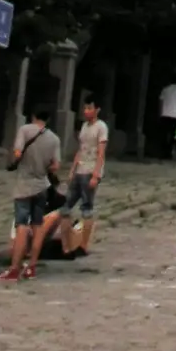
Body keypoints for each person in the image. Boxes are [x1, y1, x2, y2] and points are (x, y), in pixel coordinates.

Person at [0, 107, 61, 283]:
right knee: (38, 225)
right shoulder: (54, 139)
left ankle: (14, 268)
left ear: (33, 116)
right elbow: (55, 166)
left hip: (24, 185)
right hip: (42, 186)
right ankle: (31, 266)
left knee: (21, 225)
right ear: (47, 119)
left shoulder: (24, 130)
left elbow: (17, 153)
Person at [61, 93, 108, 250]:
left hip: (90, 170)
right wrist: (72, 170)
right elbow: (80, 149)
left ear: (97, 110)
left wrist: (96, 174)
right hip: (80, 169)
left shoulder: (101, 127)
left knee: (86, 209)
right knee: (65, 207)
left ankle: (84, 244)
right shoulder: (84, 126)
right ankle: (66, 245)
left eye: (89, 108)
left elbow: (101, 153)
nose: (86, 111)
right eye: (85, 108)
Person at [157, 80, 176, 159]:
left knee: (164, 134)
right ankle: (169, 152)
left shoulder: (165, 89)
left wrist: (160, 114)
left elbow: (160, 103)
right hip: (174, 116)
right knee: (173, 135)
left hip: (164, 115)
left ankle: (163, 152)